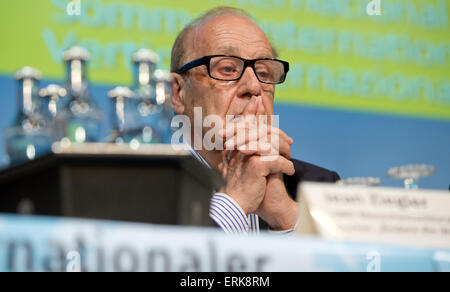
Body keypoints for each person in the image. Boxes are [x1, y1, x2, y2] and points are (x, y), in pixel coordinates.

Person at [170, 6, 340, 234]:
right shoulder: (137, 187)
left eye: (264, 73)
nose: (253, 87)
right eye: (227, 69)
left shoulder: (320, 188)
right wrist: (233, 203)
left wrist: (287, 217)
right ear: (178, 93)